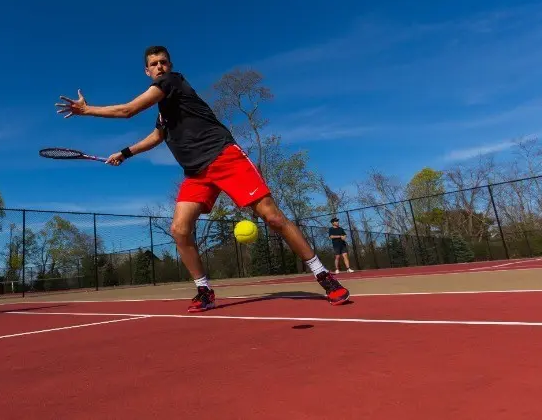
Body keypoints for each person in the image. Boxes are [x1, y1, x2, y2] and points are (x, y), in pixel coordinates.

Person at [55, 45, 350, 311]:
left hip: (224, 156)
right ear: (146, 71)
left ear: (170, 66)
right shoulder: (164, 111)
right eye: (154, 64)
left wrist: (87, 110)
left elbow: (128, 110)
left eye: (163, 62)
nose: (160, 67)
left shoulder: (173, 82)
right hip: (195, 173)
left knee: (272, 217)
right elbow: (157, 136)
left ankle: (323, 276)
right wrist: (125, 152)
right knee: (179, 230)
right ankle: (204, 290)